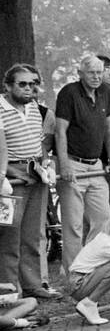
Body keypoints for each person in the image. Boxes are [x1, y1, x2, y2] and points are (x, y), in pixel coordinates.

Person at [54, 54, 110, 273]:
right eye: (91, 72)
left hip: (96, 165)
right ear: (80, 73)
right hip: (73, 164)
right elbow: (60, 130)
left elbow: (109, 128)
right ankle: (74, 272)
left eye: (100, 72)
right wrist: (63, 164)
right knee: (72, 224)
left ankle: (92, 265)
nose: (96, 77)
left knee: (103, 219)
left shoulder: (105, 93)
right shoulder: (69, 93)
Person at [0, 65, 59, 299]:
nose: (29, 88)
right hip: (11, 175)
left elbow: (39, 144)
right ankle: (9, 290)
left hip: (35, 172)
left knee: (33, 233)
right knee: (9, 236)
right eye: (22, 84)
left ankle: (34, 284)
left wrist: (48, 164)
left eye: (33, 83)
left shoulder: (34, 107)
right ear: (7, 86)